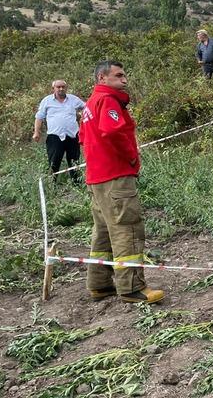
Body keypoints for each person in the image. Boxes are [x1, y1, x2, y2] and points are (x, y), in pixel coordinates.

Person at [80, 60, 163, 304]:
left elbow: (83, 137)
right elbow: (113, 132)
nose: (124, 80)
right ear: (102, 78)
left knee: (103, 232)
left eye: (124, 75)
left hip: (97, 177)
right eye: (119, 75)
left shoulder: (90, 103)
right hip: (115, 176)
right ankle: (131, 287)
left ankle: (100, 284)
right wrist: (131, 158)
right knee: (128, 228)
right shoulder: (107, 101)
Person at [34, 80, 85, 183]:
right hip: (55, 136)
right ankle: (52, 185)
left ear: (66, 88)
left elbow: (87, 107)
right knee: (54, 161)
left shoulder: (73, 99)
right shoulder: (47, 101)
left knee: (74, 161)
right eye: (58, 87)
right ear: (53, 89)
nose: (61, 89)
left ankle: (77, 184)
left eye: (63, 87)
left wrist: (83, 118)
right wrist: (36, 132)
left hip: (72, 135)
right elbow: (39, 117)